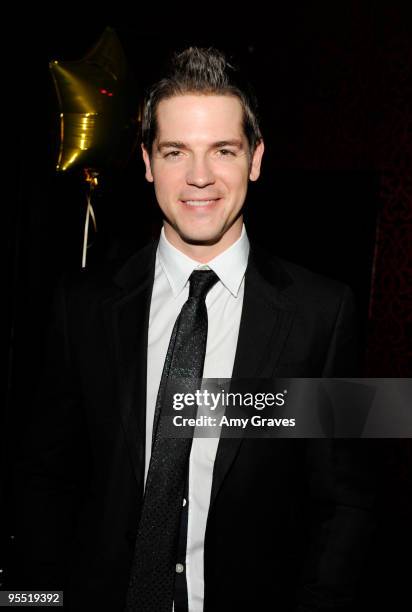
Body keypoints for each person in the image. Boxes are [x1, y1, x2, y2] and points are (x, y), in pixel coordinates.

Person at [13, 47, 377, 611]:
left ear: (255, 158)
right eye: (176, 151)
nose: (200, 177)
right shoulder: (80, 305)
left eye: (223, 151)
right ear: (146, 161)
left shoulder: (326, 313)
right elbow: (45, 481)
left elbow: (349, 502)